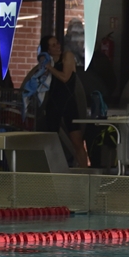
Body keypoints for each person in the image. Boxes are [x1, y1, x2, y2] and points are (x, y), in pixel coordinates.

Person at [43, 34, 90, 168]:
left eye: (57, 43)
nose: (57, 46)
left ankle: (85, 171)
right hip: (54, 103)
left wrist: (50, 68)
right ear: (48, 50)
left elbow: (65, 77)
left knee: (77, 142)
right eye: (53, 45)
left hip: (68, 103)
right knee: (50, 141)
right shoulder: (48, 61)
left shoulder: (67, 56)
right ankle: (53, 170)